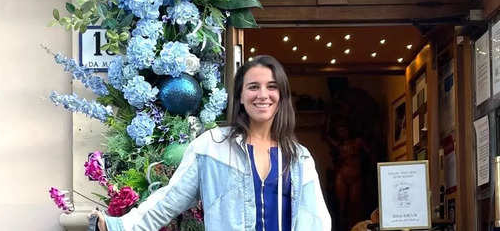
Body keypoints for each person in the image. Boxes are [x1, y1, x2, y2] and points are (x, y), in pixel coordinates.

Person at [91, 55, 331, 231]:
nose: (262, 95)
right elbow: (169, 200)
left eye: (272, 87)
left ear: (282, 96)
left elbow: (316, 221)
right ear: (240, 96)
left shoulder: (298, 157)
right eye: (253, 87)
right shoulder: (211, 147)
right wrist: (118, 226)